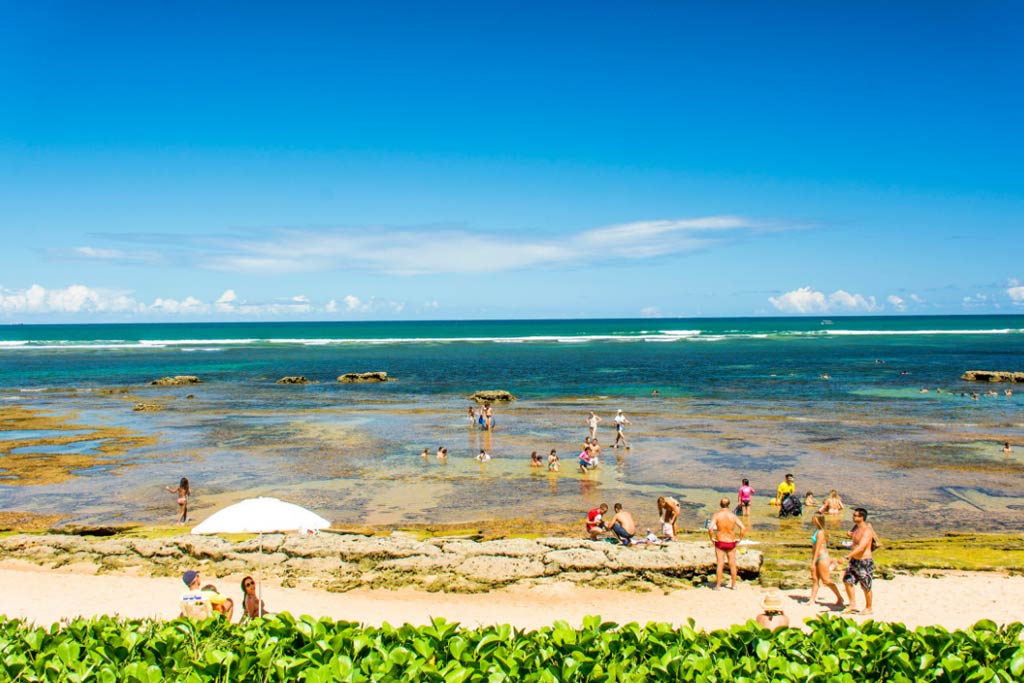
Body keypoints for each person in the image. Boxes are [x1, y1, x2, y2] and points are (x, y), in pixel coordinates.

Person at [841, 507, 876, 615]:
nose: (853, 517)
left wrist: (846, 556)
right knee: (847, 580)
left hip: (864, 561)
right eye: (853, 515)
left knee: (866, 586)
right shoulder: (856, 528)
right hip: (854, 560)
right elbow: (853, 539)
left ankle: (869, 607)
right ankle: (852, 605)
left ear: (862, 517)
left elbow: (861, 547)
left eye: (855, 515)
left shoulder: (867, 530)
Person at [709, 497, 746, 589]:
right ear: (729, 505)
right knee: (732, 564)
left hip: (720, 541)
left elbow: (710, 528)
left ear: (720, 504)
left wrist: (712, 538)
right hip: (731, 541)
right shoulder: (733, 515)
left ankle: (718, 586)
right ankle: (733, 585)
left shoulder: (717, 515)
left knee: (720, 563)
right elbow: (743, 528)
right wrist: (739, 539)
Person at [809, 512, 844, 607]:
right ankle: (812, 599)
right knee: (815, 579)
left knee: (826, 580)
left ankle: (840, 597)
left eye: (814, 518)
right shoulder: (817, 531)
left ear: (817, 520)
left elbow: (818, 547)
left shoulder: (820, 532)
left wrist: (813, 562)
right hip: (817, 557)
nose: (812, 520)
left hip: (822, 558)